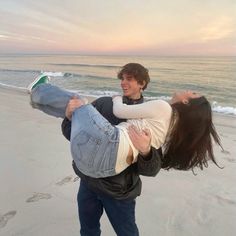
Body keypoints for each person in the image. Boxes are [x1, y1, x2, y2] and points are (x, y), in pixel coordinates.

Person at [30, 63, 162, 236]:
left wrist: (145, 151)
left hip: (119, 193)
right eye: (122, 78)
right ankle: (37, 94)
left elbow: (153, 169)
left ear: (142, 84)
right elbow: (72, 135)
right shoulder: (104, 103)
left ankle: (38, 92)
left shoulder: (149, 116)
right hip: (89, 184)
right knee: (88, 230)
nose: (123, 83)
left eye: (129, 79)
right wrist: (69, 117)